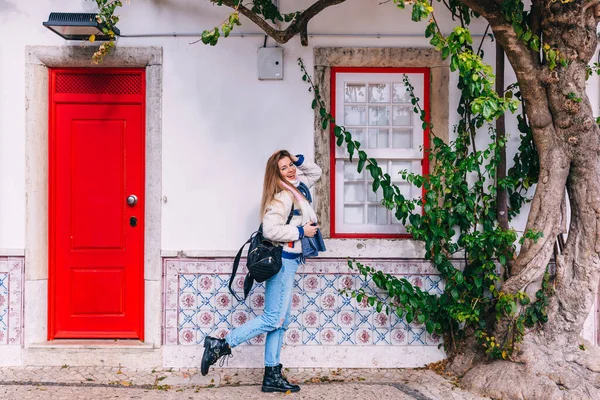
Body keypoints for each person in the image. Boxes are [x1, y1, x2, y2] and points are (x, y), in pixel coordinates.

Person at [200, 150, 322, 393]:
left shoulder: (298, 188)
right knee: (272, 318)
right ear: (275, 174)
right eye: (284, 167)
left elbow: (316, 172)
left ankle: (272, 375)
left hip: (291, 261)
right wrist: (300, 233)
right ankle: (221, 345)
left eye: (290, 166)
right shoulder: (284, 197)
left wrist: (298, 159)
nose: (290, 170)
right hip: (283, 262)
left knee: (280, 321)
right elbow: (269, 230)